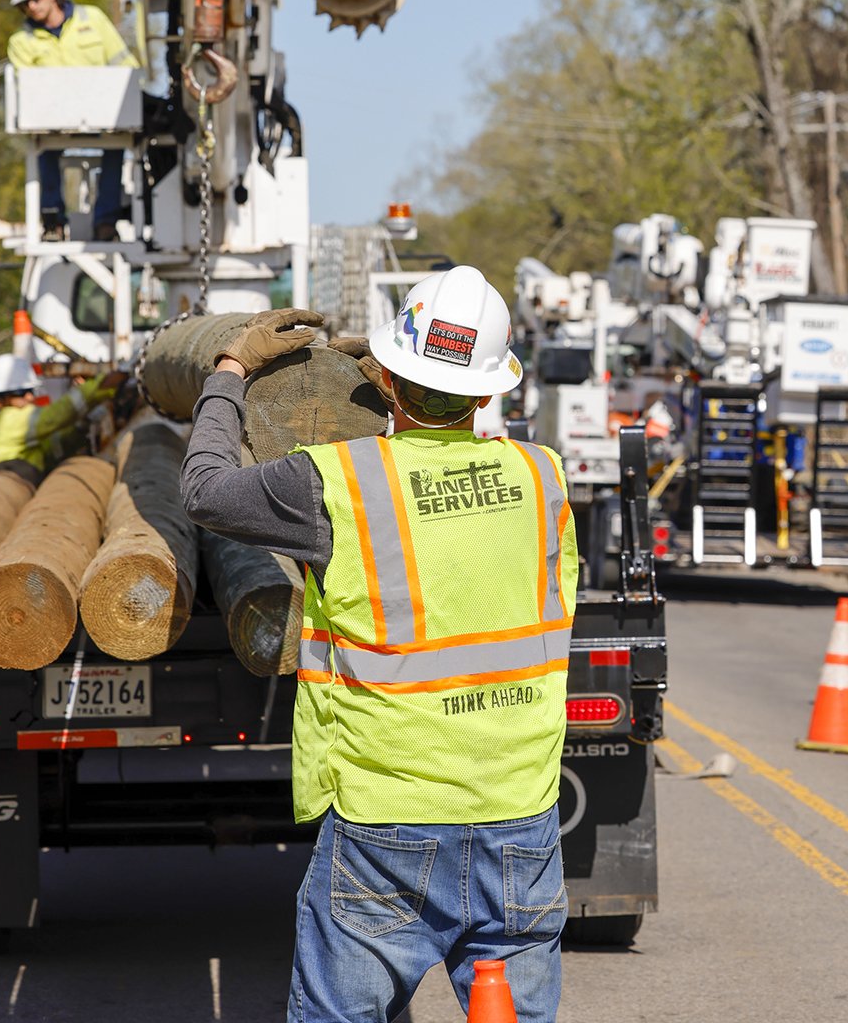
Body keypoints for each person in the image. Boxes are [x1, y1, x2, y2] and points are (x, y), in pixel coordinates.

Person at [180, 266, 577, 1023]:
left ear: (390, 380)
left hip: (387, 820)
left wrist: (229, 369)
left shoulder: (335, 484)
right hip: (520, 815)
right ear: (488, 392)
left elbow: (202, 490)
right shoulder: (543, 478)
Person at [6, 0, 138, 241]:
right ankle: (53, 219)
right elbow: (27, 88)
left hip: (104, 114)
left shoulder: (92, 19)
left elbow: (123, 63)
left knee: (116, 148)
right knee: (44, 150)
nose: (32, 6)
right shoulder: (21, 41)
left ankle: (106, 221)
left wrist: (130, 97)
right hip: (51, 121)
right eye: (25, 3)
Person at [0, 352, 120, 481]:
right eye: (21, 393)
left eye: (31, 391)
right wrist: (101, 386)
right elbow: (59, 414)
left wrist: (82, 425)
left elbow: (54, 447)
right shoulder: (12, 419)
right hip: (8, 486)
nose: (30, 397)